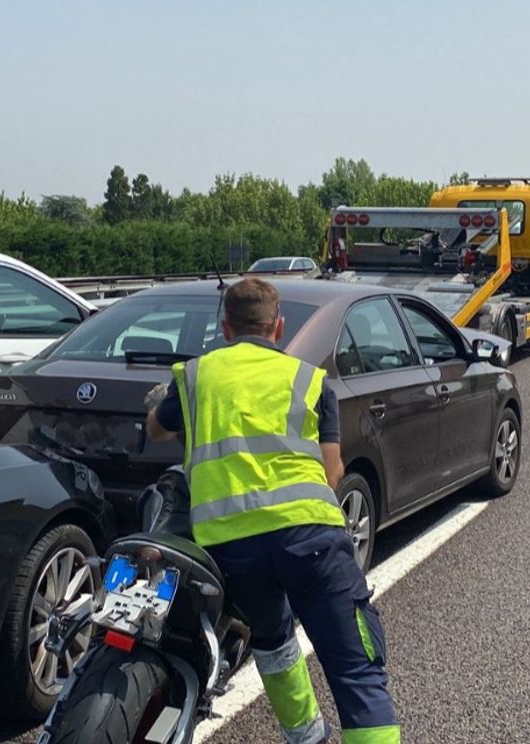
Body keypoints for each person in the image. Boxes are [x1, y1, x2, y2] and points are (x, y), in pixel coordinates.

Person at [145, 277, 400, 744]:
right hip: (311, 538)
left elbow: (155, 431)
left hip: (229, 545)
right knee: (355, 669)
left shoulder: (196, 377)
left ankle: (306, 738)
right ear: (277, 326)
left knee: (275, 642)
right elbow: (333, 471)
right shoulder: (308, 380)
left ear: (226, 328)